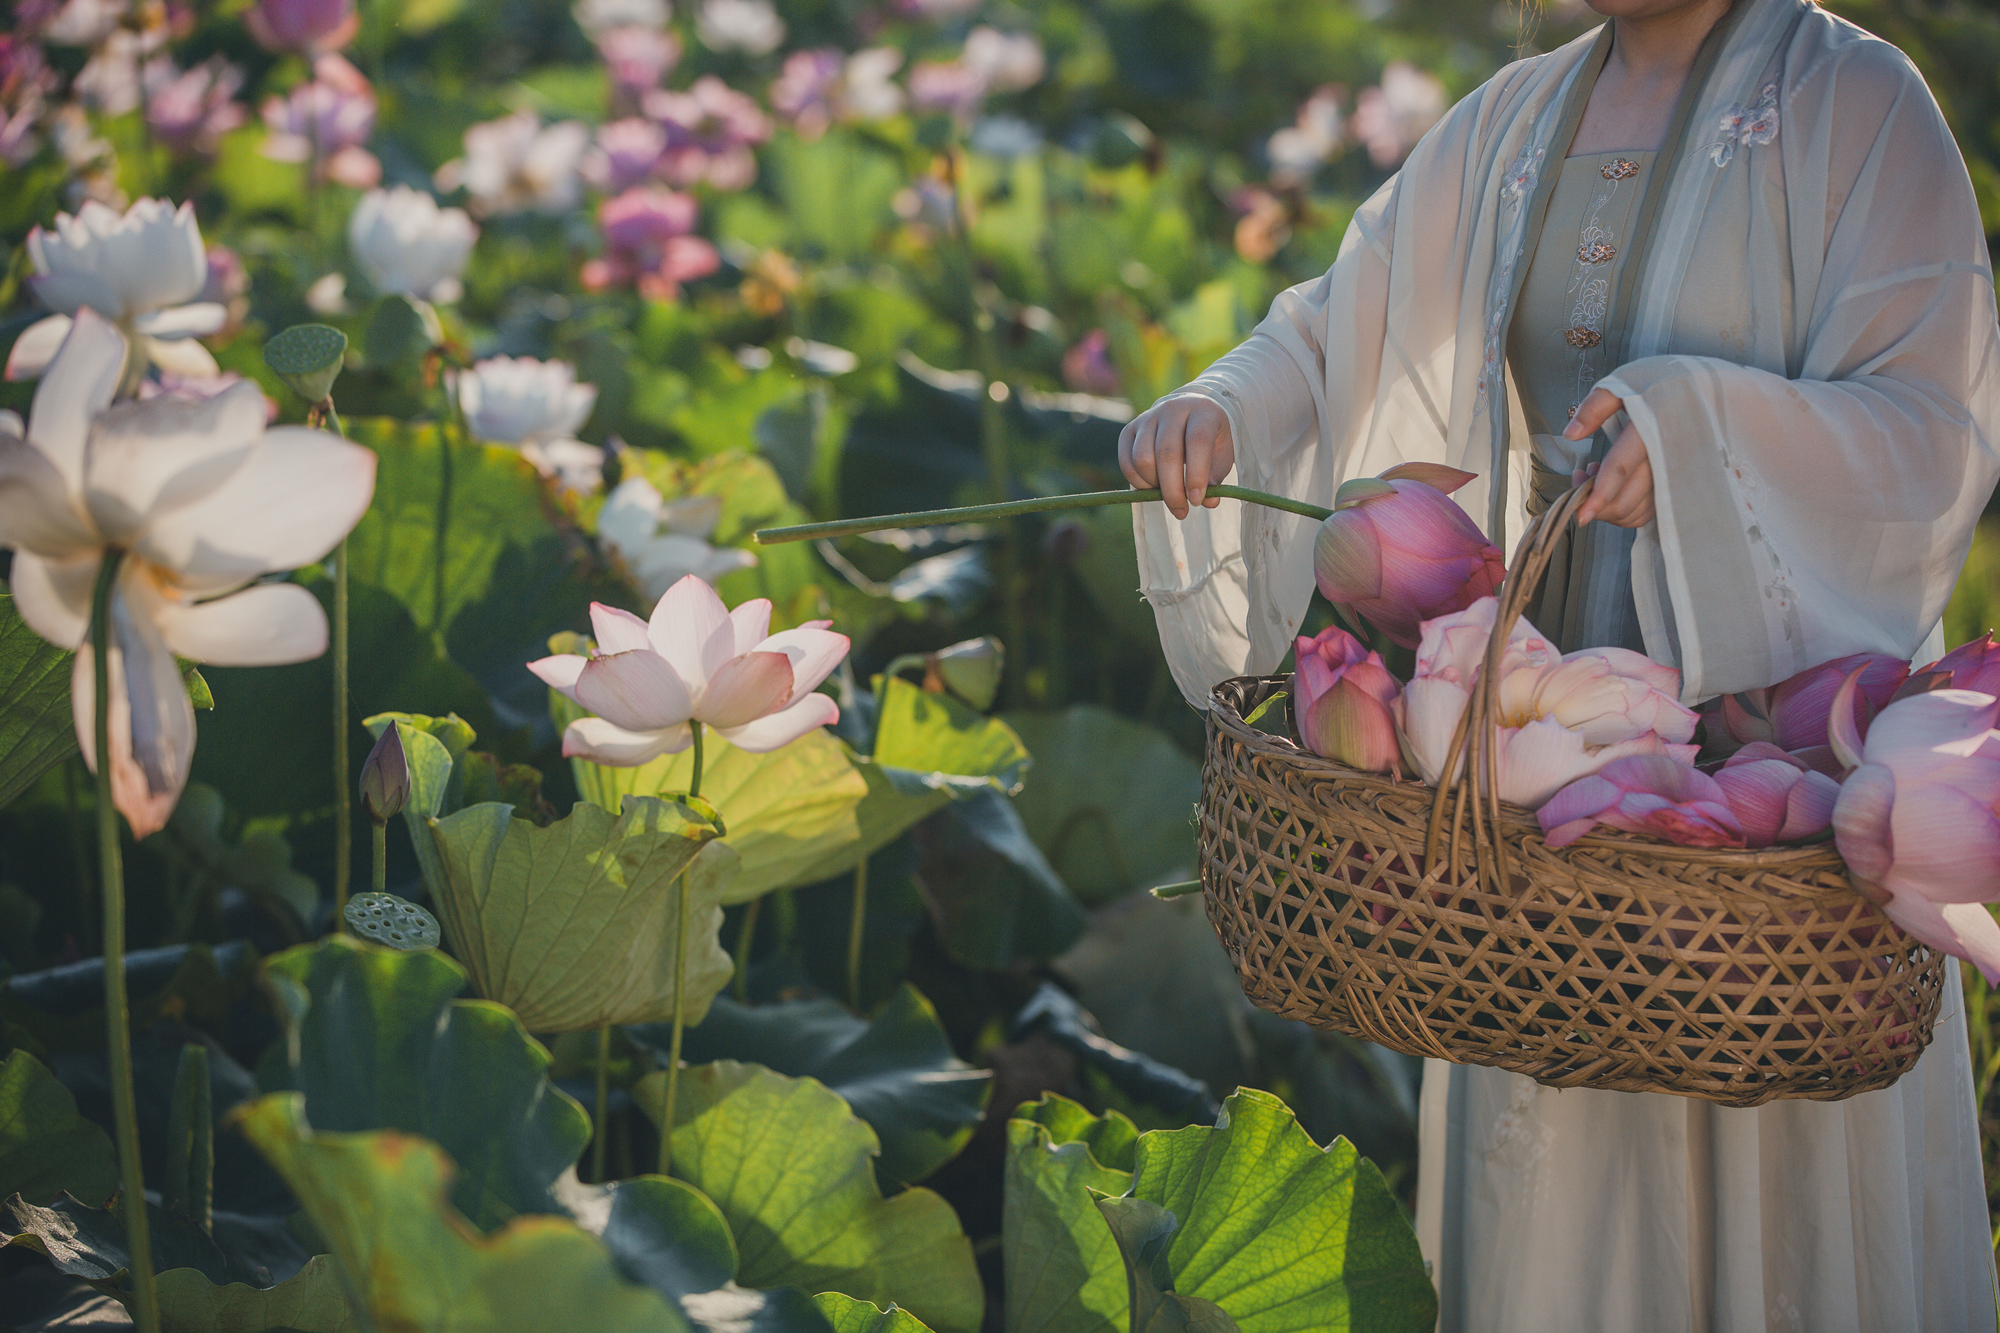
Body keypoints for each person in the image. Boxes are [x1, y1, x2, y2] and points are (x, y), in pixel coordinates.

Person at [1116, 0, 2000, 1328]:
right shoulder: (1516, 117)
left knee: (1750, 1192)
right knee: (1559, 1161)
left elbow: (1934, 429)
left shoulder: (1857, 104)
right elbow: (1334, 324)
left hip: (1760, 802)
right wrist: (1224, 406)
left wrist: (1697, 431)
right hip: (1526, 759)